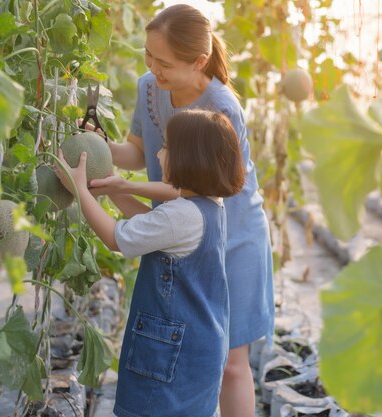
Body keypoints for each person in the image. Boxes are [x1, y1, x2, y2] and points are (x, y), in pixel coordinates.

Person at [89, 4, 275, 416]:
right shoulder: (148, 87)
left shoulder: (222, 106)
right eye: (148, 56)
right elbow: (136, 153)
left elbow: (207, 191)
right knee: (185, 351)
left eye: (165, 62)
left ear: (199, 61)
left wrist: (124, 190)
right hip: (181, 229)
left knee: (230, 363)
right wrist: (96, 146)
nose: (154, 68)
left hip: (233, 233)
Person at [56, 110, 245, 417]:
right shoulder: (208, 205)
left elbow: (116, 238)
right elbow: (152, 222)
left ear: (189, 160)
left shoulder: (180, 216)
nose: (158, 153)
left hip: (169, 354)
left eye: (166, 147)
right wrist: (116, 191)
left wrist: (80, 192)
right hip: (199, 347)